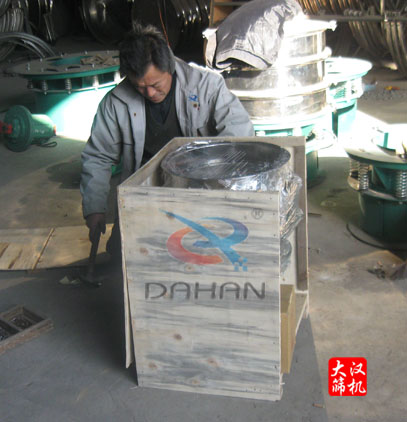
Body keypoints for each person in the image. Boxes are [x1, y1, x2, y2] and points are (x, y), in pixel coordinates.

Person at [80, 23, 254, 259]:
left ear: (170, 67)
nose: (150, 93)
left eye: (155, 85)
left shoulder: (207, 85)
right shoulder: (115, 103)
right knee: (124, 256)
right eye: (139, 87)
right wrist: (94, 208)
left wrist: (208, 170)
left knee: (203, 255)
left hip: (199, 188)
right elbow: (98, 156)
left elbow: (240, 133)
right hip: (143, 192)